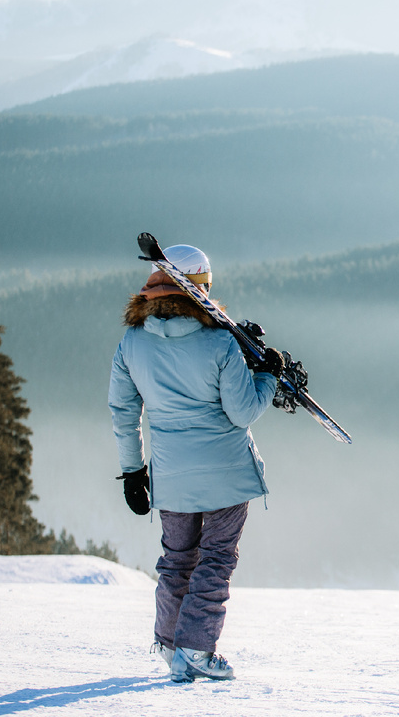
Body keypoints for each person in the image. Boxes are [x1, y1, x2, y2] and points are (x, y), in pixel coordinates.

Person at [108, 243, 284, 683]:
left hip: (171, 475)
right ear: (200, 288)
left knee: (178, 558)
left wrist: (133, 472)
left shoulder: (131, 343)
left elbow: (124, 412)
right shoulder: (220, 342)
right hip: (225, 473)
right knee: (216, 558)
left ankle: (170, 646)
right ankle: (197, 649)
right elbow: (242, 411)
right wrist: (267, 374)